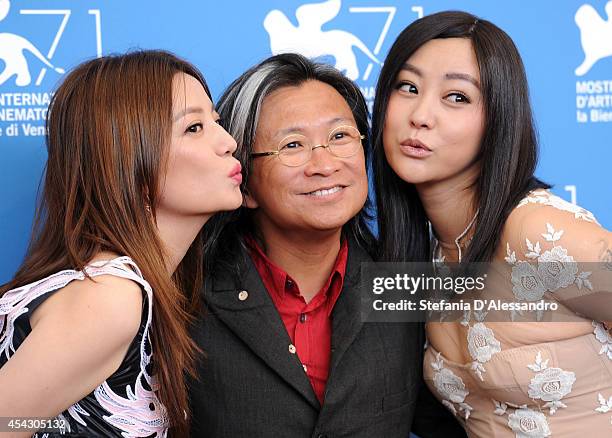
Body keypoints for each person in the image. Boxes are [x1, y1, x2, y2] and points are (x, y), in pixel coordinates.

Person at [190, 53, 465, 437]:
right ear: (245, 182)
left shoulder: (405, 288)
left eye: (339, 137)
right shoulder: (184, 298)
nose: (324, 164)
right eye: (292, 145)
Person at [372, 10, 612, 437]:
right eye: (407, 87)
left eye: (457, 97)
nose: (421, 114)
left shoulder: (536, 233)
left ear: (498, 118)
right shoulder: (428, 256)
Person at [0, 50, 242, 437]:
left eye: (216, 121)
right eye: (194, 128)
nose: (228, 142)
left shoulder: (133, 288)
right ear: (125, 157)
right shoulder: (110, 298)